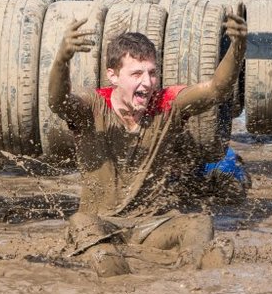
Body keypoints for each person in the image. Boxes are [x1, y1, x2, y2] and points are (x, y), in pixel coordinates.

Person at [48, 14, 248, 277]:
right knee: (84, 226)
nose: (147, 82)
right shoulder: (93, 107)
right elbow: (57, 102)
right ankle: (120, 290)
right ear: (113, 75)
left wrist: (238, 48)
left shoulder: (167, 105)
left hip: (155, 225)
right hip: (103, 224)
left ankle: (190, 282)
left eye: (152, 73)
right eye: (137, 73)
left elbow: (216, 90)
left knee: (199, 223)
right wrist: (62, 59)